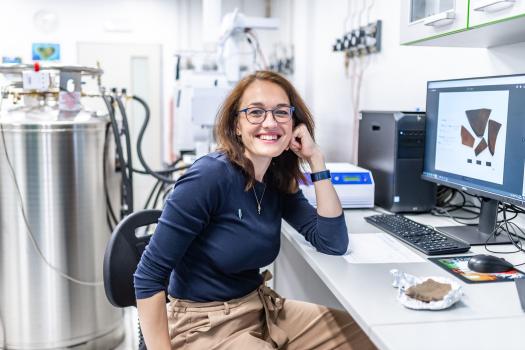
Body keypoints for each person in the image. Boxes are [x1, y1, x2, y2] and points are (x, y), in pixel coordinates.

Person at [133, 70, 376, 350]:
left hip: (261, 308)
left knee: (364, 338)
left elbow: (333, 242)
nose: (270, 122)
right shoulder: (208, 177)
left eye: (281, 112)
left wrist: (316, 159)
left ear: (294, 123)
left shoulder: (276, 178)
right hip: (204, 324)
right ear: (236, 125)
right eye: (256, 112)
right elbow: (148, 277)